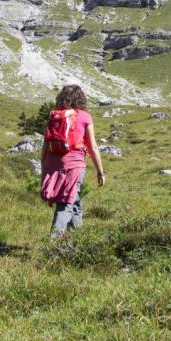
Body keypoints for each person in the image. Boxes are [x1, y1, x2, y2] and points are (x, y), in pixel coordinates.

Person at [40, 84, 105, 236]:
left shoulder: (55, 117)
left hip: (52, 163)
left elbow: (45, 146)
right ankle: (53, 243)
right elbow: (93, 148)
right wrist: (100, 172)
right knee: (65, 204)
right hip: (73, 165)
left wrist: (44, 169)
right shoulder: (84, 116)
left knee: (74, 201)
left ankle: (77, 238)